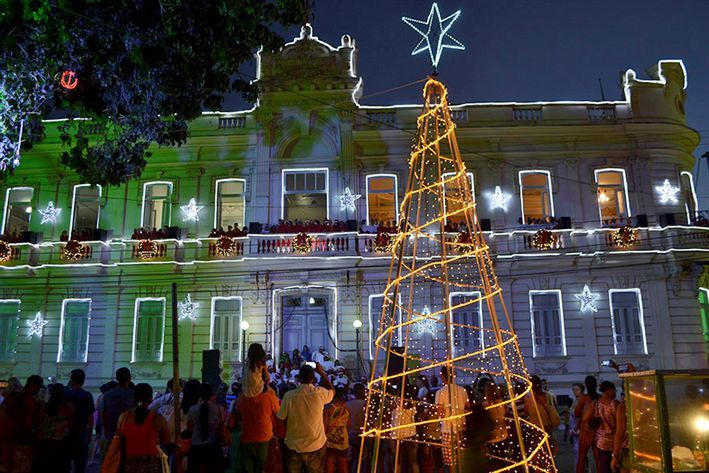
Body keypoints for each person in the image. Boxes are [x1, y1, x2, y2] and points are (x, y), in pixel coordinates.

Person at [277, 362, 335, 473]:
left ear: (299, 378)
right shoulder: (319, 393)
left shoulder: (289, 396)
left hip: (294, 445)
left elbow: (280, 420)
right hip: (316, 445)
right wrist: (322, 373)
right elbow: (333, 392)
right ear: (313, 379)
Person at [121, 383, 170, 473]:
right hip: (150, 463)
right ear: (151, 399)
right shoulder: (157, 418)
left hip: (129, 463)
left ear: (134, 398)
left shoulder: (124, 417)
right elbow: (166, 440)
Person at [2, 374, 43, 472]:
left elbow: (3, 413)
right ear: (34, 386)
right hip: (22, 441)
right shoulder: (31, 401)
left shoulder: (11, 396)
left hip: (7, 439)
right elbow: (28, 424)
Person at [237, 382, 280, 472]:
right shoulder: (269, 396)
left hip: (246, 438)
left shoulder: (242, 396)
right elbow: (278, 415)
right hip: (265, 438)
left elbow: (239, 415)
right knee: (263, 468)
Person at [33, 383, 74, 473]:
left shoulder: (42, 407)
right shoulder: (67, 408)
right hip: (60, 445)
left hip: (43, 445)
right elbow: (69, 425)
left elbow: (37, 423)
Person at [434, 366, 468, 467]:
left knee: (451, 462)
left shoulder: (440, 392)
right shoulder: (462, 390)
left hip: (447, 429)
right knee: (461, 460)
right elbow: (468, 408)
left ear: (442, 376)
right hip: (461, 428)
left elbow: (440, 413)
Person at [187, 383, 225, 473]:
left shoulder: (192, 409)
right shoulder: (219, 409)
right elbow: (221, 427)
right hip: (212, 447)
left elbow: (190, 428)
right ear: (213, 394)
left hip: (196, 446)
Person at [585, 381, 619, 473]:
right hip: (616, 442)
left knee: (604, 468)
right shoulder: (616, 404)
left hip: (601, 442)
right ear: (609, 390)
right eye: (614, 390)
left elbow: (585, 418)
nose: (615, 392)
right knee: (618, 468)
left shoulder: (595, 403)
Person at [64, 369, 95, 473]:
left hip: (68, 431)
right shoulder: (87, 395)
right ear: (83, 381)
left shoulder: (66, 395)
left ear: (72, 380)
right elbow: (90, 416)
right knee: (80, 464)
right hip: (82, 430)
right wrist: (90, 432)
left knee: (66, 462)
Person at [525, 375, 559, 454]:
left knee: (538, 452)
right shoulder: (549, 396)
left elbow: (526, 412)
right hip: (547, 428)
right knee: (548, 451)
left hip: (535, 429)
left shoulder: (528, 399)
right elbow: (554, 409)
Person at [574, 375, 600, 473]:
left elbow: (576, 413)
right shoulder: (599, 398)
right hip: (596, 430)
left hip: (585, 431)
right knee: (597, 458)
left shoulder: (584, 398)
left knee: (582, 457)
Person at [391, 384, 419, 473]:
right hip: (411, 434)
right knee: (413, 462)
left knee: (398, 462)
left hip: (398, 436)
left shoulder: (395, 404)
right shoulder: (412, 405)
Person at [102, 367, 135, 442]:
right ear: (129, 378)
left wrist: (106, 431)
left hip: (112, 432)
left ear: (117, 378)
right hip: (129, 433)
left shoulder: (107, 395)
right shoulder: (133, 395)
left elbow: (104, 414)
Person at [324, 387, 350, 473]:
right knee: (343, 464)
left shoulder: (328, 409)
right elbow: (348, 425)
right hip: (343, 438)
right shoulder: (346, 408)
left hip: (330, 438)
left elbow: (324, 426)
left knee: (329, 463)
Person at [345, 383, 367, 471]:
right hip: (364, 434)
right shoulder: (367, 404)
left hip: (351, 434)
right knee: (363, 458)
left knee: (351, 457)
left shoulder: (348, 404)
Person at [569, 383, 585, 464]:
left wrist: (575, 428)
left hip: (580, 430)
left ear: (581, 390)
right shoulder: (575, 400)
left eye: (577, 390)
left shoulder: (582, 401)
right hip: (575, 429)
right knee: (577, 452)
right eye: (573, 390)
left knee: (580, 453)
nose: (575, 392)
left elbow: (582, 416)